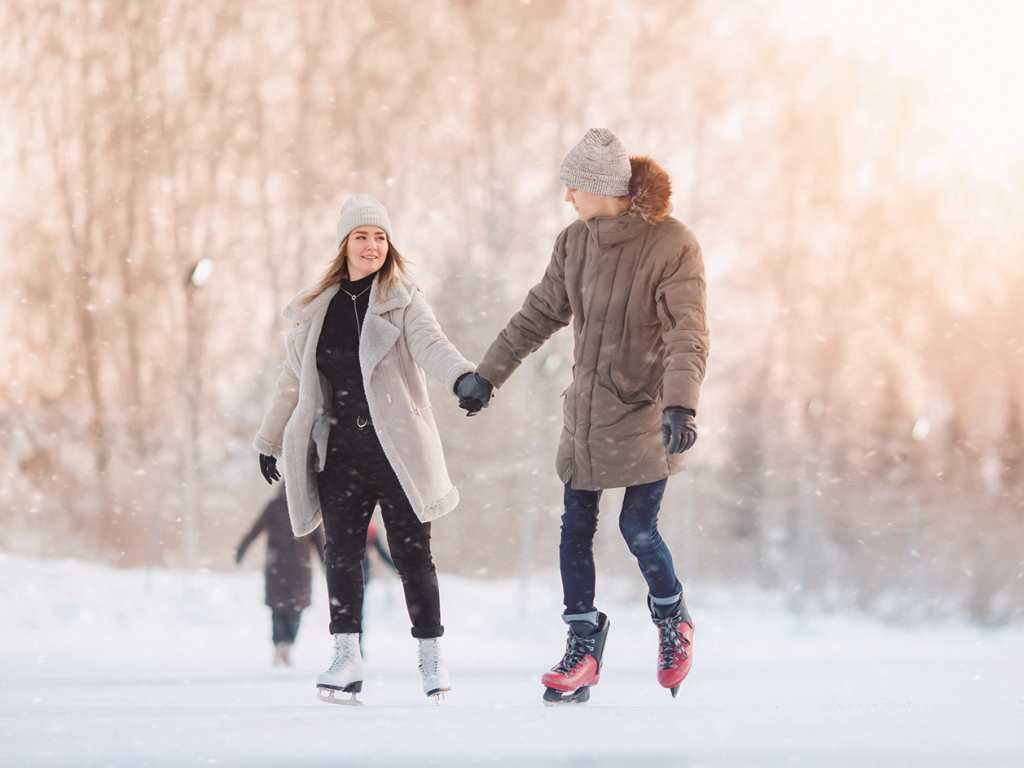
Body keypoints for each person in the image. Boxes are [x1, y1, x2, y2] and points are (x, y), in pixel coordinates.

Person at [458, 128, 709, 705]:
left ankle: (673, 619)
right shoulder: (574, 243)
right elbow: (539, 313)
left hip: (646, 411)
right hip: (587, 415)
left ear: (603, 187)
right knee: (575, 530)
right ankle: (584, 645)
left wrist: (680, 403)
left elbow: (687, 332)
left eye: (575, 187)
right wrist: (487, 374)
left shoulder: (672, 244)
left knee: (637, 529)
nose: (567, 197)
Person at [254, 194, 475, 706]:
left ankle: (431, 656)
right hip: (342, 453)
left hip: (397, 453)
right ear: (345, 245)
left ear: (388, 245)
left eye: (379, 236)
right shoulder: (318, 309)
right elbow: (293, 379)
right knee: (341, 555)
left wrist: (462, 377)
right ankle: (345, 656)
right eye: (362, 236)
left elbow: (432, 345)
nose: (372, 245)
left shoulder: (403, 300)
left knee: (413, 556)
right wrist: (268, 439)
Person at [235, 483, 325, 667]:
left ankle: (281, 646)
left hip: (277, 568)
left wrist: (241, 549)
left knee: (279, 609)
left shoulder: (275, 506)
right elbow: (320, 541)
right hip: (299, 568)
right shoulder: (307, 509)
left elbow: (255, 530)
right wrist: (328, 565)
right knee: (294, 609)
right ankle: (286, 645)